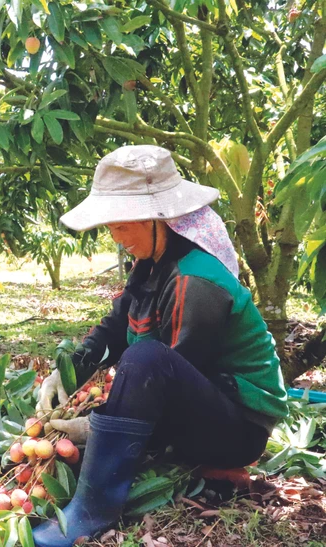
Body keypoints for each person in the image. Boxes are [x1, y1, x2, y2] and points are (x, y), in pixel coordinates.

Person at [32, 145, 288, 547]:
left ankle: (91, 510)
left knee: (146, 358)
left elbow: (164, 375)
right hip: (204, 407)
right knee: (139, 360)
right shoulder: (154, 263)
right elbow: (117, 325)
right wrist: (67, 373)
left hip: (238, 426)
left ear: (158, 220)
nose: (116, 238)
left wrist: (100, 428)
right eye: (111, 228)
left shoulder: (195, 282)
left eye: (121, 226)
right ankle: (192, 466)